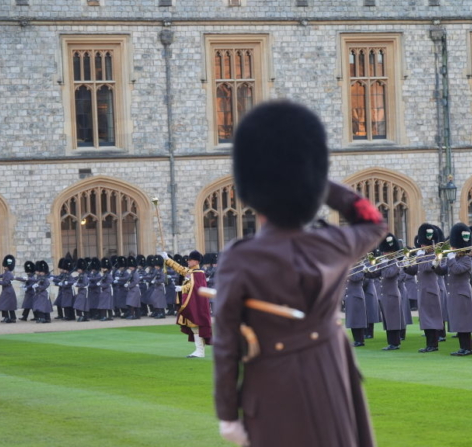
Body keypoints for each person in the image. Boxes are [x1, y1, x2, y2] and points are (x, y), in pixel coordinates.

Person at [212, 100, 386, 447]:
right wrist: (312, 181)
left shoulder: (240, 258)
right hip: (333, 376)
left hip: (274, 387)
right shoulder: (334, 244)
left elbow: (226, 346)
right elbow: (373, 221)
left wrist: (227, 414)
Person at [404, 224, 446, 353]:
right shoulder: (421, 255)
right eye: (422, 244)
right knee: (426, 319)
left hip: (431, 290)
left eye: (424, 244)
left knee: (431, 318)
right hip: (422, 290)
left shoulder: (436, 255)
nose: (422, 246)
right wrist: (406, 265)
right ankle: (429, 344)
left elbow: (432, 268)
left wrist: (433, 262)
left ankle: (433, 344)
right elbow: (414, 271)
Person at [163, 250, 211, 357]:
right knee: (194, 326)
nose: (188, 262)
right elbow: (180, 269)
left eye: (190, 260)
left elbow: (195, 287)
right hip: (192, 302)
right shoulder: (191, 272)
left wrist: (182, 288)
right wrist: (168, 259)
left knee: (196, 326)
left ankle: (200, 351)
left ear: (196, 261)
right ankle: (199, 351)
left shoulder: (199, 273)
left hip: (197, 303)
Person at [446, 223, 472, 356]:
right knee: (459, 321)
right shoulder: (456, 258)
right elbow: (444, 271)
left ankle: (468, 348)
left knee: (464, 322)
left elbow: (457, 270)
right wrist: (436, 264)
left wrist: (451, 259)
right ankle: (463, 347)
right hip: (455, 293)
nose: (452, 249)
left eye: (454, 247)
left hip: (462, 293)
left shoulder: (466, 260)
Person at [372, 234, 405, 350]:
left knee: (393, 320)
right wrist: (368, 272)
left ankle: (395, 343)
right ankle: (391, 342)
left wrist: (383, 263)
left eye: (386, 252)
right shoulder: (385, 262)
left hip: (392, 294)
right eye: (384, 252)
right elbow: (376, 274)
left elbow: (388, 274)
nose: (384, 254)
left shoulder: (395, 262)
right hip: (385, 294)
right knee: (387, 320)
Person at [0, 255, 18, 323]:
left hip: (8, 291)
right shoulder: (6, 273)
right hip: (6, 291)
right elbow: (0, 275)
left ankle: (11, 318)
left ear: (8, 267)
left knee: (6, 305)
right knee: (4, 305)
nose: (4, 267)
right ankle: (7, 317)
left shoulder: (8, 274)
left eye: (5, 266)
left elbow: (5, 282)